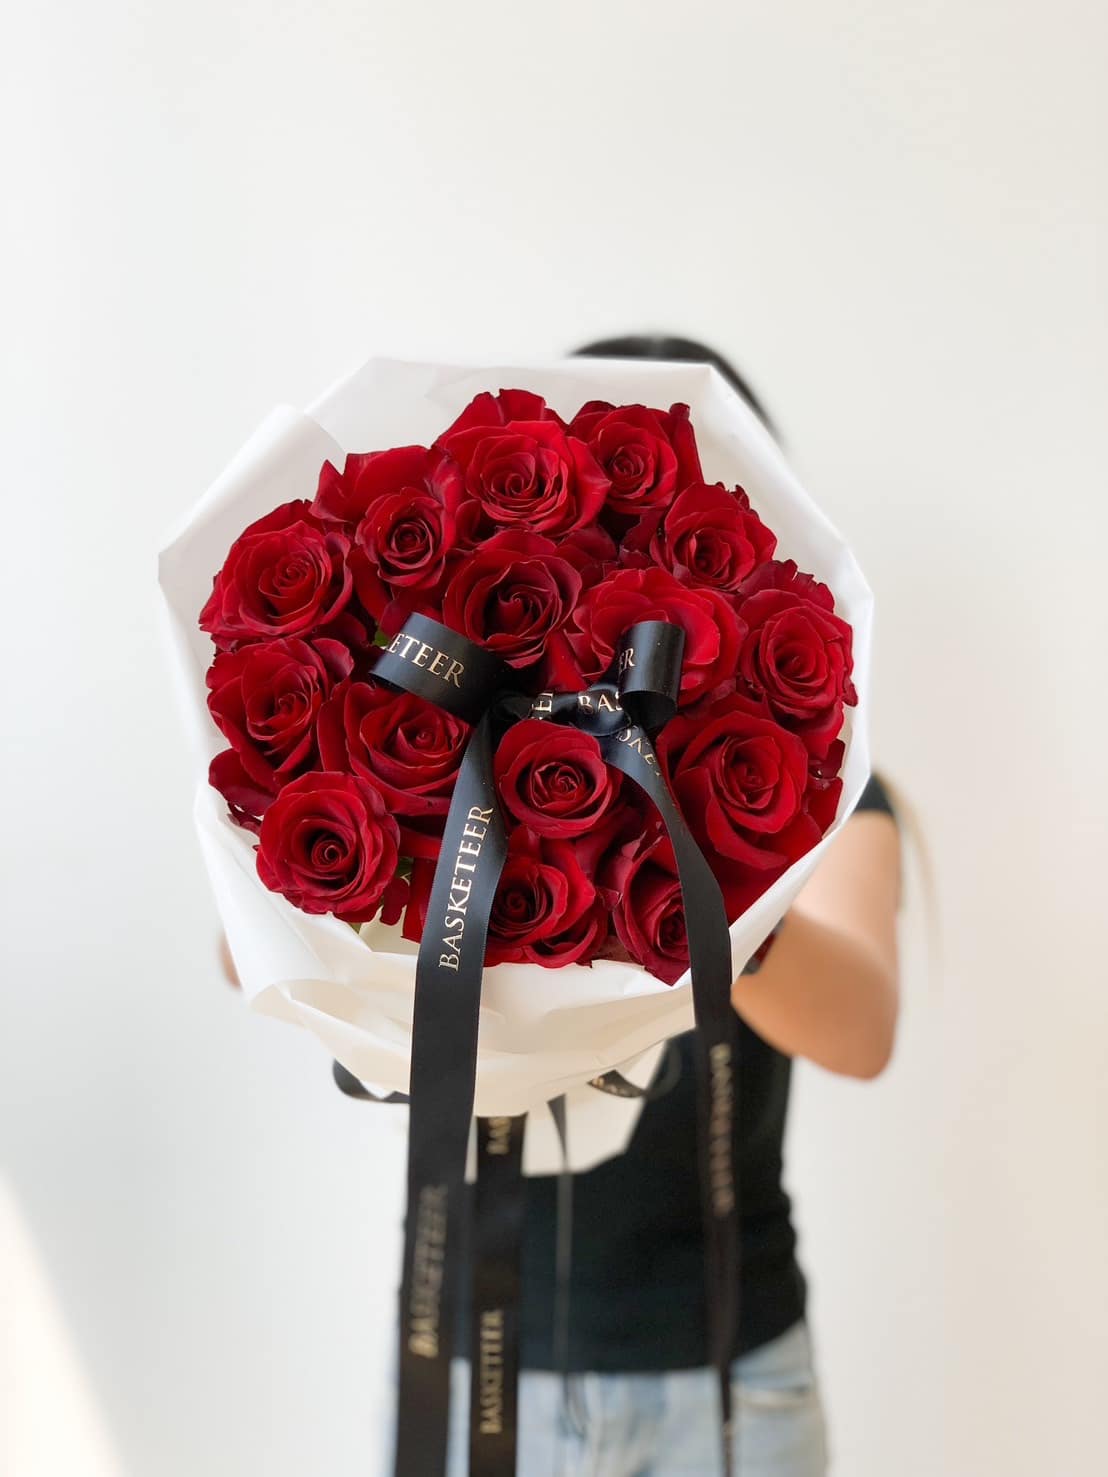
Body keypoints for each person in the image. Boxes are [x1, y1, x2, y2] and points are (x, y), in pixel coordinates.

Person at [444, 335, 903, 1476]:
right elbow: (241, 953)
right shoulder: (469, 766)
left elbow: (861, 1027)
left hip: (729, 1373)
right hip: (473, 1355)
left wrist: (699, 850)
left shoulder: (829, 791)